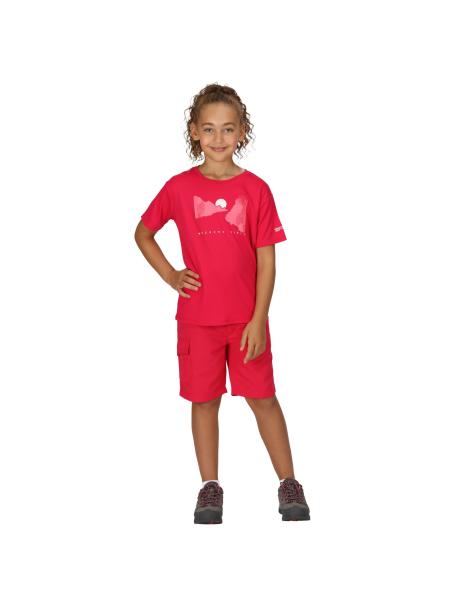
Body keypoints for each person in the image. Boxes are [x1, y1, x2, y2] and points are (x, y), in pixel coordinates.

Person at [134, 83, 310, 524]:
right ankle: (209, 486)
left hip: (246, 321)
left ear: (242, 132)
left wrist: (258, 319)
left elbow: (267, 261)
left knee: (263, 398)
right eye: (209, 129)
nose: (218, 138)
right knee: (204, 400)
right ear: (194, 131)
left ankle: (288, 481)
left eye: (228, 129)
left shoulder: (256, 190)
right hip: (198, 321)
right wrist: (171, 275)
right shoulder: (178, 187)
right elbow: (143, 233)